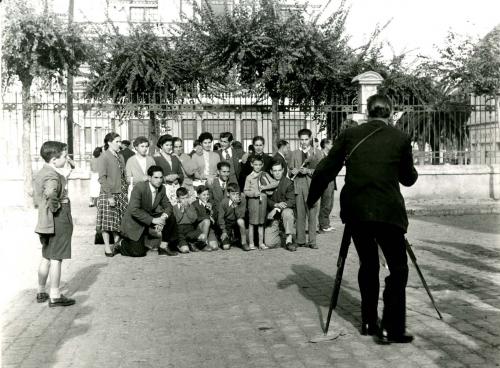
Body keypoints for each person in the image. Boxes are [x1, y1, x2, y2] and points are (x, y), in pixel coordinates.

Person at [307, 94, 418, 344]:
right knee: (398, 269)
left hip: (357, 211)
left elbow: (326, 168)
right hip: (388, 213)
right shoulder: (400, 138)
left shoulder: (350, 135)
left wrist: (310, 199)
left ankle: (368, 322)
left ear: (367, 112)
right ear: (390, 113)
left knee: (368, 264)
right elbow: (407, 179)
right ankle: (392, 327)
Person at [34, 141, 75, 307]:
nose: (66, 158)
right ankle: (55, 295)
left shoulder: (44, 171)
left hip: (44, 220)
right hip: (57, 218)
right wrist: (57, 206)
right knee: (57, 258)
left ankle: (41, 290)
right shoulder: (52, 175)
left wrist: (69, 167)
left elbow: (51, 186)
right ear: (53, 160)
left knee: (46, 256)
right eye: (64, 156)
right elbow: (51, 192)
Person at [117, 165, 179, 257]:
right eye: (156, 177)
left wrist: (163, 217)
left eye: (161, 177)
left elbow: (168, 206)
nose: (159, 180)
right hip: (134, 222)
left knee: (170, 217)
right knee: (138, 252)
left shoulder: (162, 188)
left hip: (147, 220)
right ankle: (120, 244)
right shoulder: (140, 187)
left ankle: (163, 247)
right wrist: (153, 220)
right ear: (149, 178)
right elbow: (134, 210)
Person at [288, 128, 323, 249]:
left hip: (312, 187)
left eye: (306, 139)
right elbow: (289, 170)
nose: (304, 142)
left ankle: (312, 241)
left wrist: (307, 171)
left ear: (310, 139)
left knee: (312, 215)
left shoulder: (317, 153)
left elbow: (321, 171)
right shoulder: (294, 153)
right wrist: (293, 171)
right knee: (300, 215)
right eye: (301, 139)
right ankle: (300, 240)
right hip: (298, 187)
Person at [96, 132, 128, 256]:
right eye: (117, 142)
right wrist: (109, 196)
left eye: (120, 142)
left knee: (118, 221)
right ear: (109, 143)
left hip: (121, 193)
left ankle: (116, 245)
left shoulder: (120, 156)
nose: (119, 144)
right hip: (108, 193)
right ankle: (107, 247)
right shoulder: (104, 157)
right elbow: (102, 178)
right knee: (107, 222)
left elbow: (123, 174)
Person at [244, 155, 277, 250]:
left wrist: (265, 187)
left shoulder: (265, 174)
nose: (257, 166)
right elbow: (245, 191)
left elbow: (275, 183)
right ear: (251, 164)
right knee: (251, 223)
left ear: (262, 165)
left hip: (263, 202)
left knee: (261, 223)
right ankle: (251, 243)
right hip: (253, 202)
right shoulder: (249, 177)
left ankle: (261, 243)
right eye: (255, 164)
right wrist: (254, 193)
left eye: (259, 165)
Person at [264, 160, 296, 251]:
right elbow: (266, 199)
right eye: (275, 171)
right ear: (271, 171)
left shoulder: (288, 183)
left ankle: (289, 240)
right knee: (270, 243)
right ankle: (282, 236)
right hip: (274, 217)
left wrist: (277, 208)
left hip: (284, 212)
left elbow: (291, 201)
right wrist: (275, 204)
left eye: (279, 170)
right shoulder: (267, 182)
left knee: (287, 213)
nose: (277, 173)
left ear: (283, 170)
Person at [172, 187, 208, 253]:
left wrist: (187, 209)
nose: (185, 200)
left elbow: (193, 219)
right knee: (185, 250)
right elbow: (177, 220)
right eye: (182, 198)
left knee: (203, 237)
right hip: (180, 231)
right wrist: (181, 211)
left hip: (190, 229)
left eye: (186, 197)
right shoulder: (175, 207)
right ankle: (183, 244)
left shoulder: (191, 206)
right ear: (178, 199)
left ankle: (191, 242)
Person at [154, 134, 184, 205]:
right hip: (163, 189)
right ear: (161, 146)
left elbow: (181, 175)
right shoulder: (156, 158)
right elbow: (154, 177)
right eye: (167, 145)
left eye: (171, 145)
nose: (169, 147)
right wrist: (165, 178)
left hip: (176, 190)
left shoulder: (174, 157)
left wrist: (177, 176)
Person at [217, 183, 248, 251]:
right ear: (228, 194)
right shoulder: (224, 202)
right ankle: (228, 238)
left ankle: (244, 243)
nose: (236, 196)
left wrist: (236, 206)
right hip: (227, 223)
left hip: (237, 222)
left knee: (240, 221)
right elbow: (220, 218)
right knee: (226, 247)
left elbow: (241, 216)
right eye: (233, 194)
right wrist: (224, 231)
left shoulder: (242, 200)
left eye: (237, 194)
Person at [207, 161, 238, 228]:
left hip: (230, 214)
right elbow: (210, 200)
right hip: (217, 213)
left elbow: (236, 199)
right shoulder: (212, 183)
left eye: (228, 172)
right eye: (224, 172)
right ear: (218, 172)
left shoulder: (232, 183)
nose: (226, 174)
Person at [317, 138, 336, 233]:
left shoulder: (330, 155)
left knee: (330, 203)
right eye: (331, 144)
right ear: (325, 145)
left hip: (331, 181)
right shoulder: (320, 155)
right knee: (325, 204)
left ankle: (326, 223)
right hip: (325, 182)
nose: (333, 146)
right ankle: (323, 225)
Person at [192, 185, 220, 251]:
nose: (206, 196)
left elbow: (216, 217)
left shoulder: (212, 203)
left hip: (210, 229)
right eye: (204, 195)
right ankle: (203, 243)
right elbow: (195, 218)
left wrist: (211, 211)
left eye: (207, 194)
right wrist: (207, 217)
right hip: (199, 228)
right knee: (207, 221)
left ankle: (205, 241)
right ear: (198, 195)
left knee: (214, 247)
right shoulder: (194, 204)